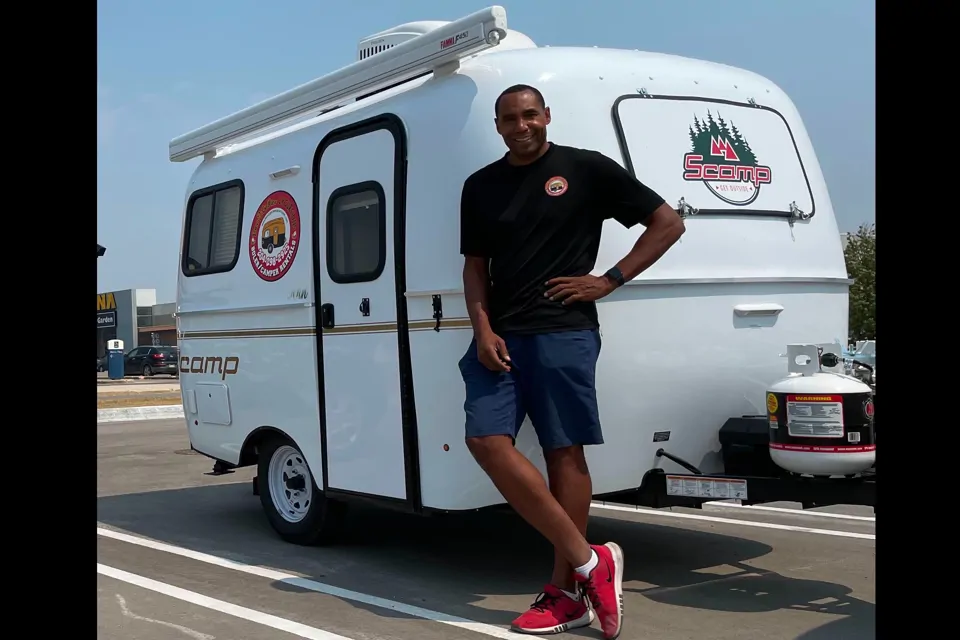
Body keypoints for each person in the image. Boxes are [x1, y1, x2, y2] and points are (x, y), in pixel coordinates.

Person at [458, 84, 685, 639]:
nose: (521, 126)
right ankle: (590, 561)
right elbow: (475, 267)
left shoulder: (585, 169)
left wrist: (609, 280)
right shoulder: (481, 185)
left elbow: (668, 223)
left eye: (530, 115)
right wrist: (482, 329)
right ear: (497, 126)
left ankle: (565, 593)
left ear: (546, 116)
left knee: (564, 453)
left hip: (563, 332)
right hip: (502, 336)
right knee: (485, 441)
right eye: (509, 119)